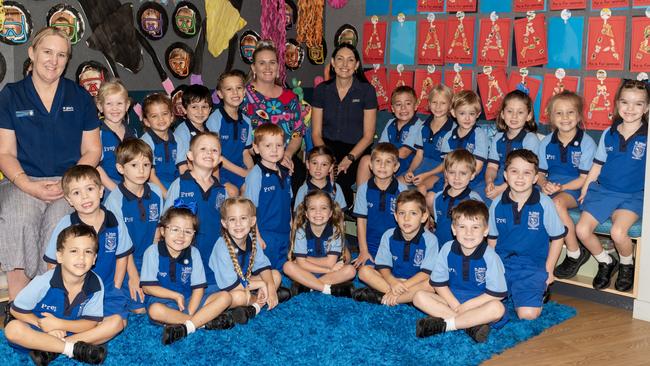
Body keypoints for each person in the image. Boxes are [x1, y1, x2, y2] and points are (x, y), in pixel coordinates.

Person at [0, 27, 101, 300]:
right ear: (31, 52)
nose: (53, 61)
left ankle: (54, 302)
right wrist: (28, 186)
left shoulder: (80, 97)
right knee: (18, 216)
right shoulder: (11, 95)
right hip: (22, 180)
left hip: (69, 182)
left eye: (61, 55)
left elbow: (93, 150)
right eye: (47, 52)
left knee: (61, 221)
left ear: (67, 60)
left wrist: (70, 184)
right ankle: (19, 304)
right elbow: (5, 153)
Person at [43, 165, 131, 344]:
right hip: (74, 292)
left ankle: (67, 344)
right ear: (69, 200)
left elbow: (122, 256)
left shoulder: (115, 221)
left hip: (106, 289)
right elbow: (53, 263)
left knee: (118, 323)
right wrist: (61, 293)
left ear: (101, 191)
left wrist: (116, 286)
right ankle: (76, 337)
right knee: (59, 323)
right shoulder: (66, 224)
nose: (84, 197)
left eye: (89, 189)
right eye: (76, 193)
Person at [576, 80, 649, 292]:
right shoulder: (609, 133)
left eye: (638, 104)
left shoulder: (647, 135)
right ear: (617, 104)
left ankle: (627, 264)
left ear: (646, 108)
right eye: (625, 102)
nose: (630, 109)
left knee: (618, 232)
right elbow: (597, 167)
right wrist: (585, 189)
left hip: (633, 195)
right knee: (582, 229)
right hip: (604, 191)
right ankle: (606, 261)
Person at [5, 225, 107, 365]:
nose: (81, 257)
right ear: (59, 256)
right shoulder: (43, 281)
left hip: (71, 331)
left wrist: (59, 324)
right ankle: (71, 349)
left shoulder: (96, 284)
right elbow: (16, 310)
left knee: (115, 322)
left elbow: (90, 322)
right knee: (12, 329)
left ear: (94, 258)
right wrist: (43, 326)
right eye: (73, 251)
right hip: (38, 330)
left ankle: (49, 350)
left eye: (88, 252)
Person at [413, 200, 507, 343]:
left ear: (486, 230)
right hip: (452, 300)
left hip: (479, 304)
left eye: (475, 227)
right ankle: (470, 326)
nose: (469, 233)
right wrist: (456, 305)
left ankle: (446, 325)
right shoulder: (447, 249)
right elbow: (439, 284)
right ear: (454, 229)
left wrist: (467, 306)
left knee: (497, 309)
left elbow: (496, 294)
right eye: (462, 227)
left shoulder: (491, 257)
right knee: (418, 297)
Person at [488, 149, 566, 320]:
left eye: (527, 172)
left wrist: (548, 270)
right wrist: (491, 269)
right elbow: (492, 241)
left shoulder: (544, 203)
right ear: (506, 175)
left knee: (528, 314)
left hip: (531, 266)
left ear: (535, 178)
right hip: (502, 264)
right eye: (514, 171)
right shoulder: (496, 204)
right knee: (477, 300)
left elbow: (558, 238)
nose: (520, 177)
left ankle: (535, 291)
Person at [140, 205, 234, 345]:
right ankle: (202, 322)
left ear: (193, 235)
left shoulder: (194, 253)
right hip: (164, 301)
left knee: (226, 297)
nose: (181, 236)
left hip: (190, 299)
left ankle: (187, 326)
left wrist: (190, 310)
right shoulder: (152, 252)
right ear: (163, 231)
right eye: (175, 229)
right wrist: (175, 296)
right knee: (155, 311)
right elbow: (148, 288)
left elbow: (198, 288)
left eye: (188, 231)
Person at [164, 132, 238, 288]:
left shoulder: (221, 190)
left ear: (219, 159)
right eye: (203, 149)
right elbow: (165, 222)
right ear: (190, 155)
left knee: (219, 290)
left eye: (214, 150)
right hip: (185, 252)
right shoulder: (180, 184)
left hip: (212, 253)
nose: (209, 153)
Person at [536, 91, 596, 280]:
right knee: (530, 204)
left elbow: (584, 179)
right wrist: (544, 183)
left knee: (556, 204)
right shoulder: (546, 142)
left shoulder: (586, 143)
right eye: (559, 113)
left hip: (576, 189)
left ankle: (574, 252)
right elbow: (539, 173)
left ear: (578, 116)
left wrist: (560, 189)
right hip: (552, 187)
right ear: (551, 117)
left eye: (570, 112)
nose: (565, 118)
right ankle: (535, 255)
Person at [310, 43, 377, 206]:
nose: (344, 65)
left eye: (350, 60)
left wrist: (349, 158)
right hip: (327, 146)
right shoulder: (321, 90)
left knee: (340, 182)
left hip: (356, 149)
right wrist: (328, 159)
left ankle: (342, 215)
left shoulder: (366, 91)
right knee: (317, 178)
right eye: (340, 59)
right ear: (332, 63)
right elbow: (316, 133)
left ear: (357, 65)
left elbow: (368, 136)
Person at [209, 197, 291, 325]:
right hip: (221, 289)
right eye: (232, 219)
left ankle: (254, 306)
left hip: (245, 281)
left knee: (275, 275)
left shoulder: (252, 239)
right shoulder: (221, 247)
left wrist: (269, 285)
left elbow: (262, 266)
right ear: (224, 223)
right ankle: (258, 302)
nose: (238, 224)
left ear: (252, 221)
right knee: (239, 296)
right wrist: (262, 285)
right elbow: (232, 286)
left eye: (243, 218)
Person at [105, 139, 164, 314]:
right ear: (121, 168)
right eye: (134, 165)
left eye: (146, 164)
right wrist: (133, 276)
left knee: (169, 293)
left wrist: (153, 263)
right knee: (139, 309)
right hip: (124, 261)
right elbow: (122, 247)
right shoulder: (114, 201)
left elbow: (156, 232)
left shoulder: (155, 192)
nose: (141, 170)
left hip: (149, 257)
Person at [353, 190, 438, 306]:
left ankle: (389, 298)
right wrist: (393, 282)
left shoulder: (430, 240)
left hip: (416, 283)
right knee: (363, 271)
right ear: (396, 216)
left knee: (432, 284)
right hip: (392, 281)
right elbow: (383, 267)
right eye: (402, 213)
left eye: (413, 213)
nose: (406, 218)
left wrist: (404, 285)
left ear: (423, 217)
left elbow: (426, 273)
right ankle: (407, 298)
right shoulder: (388, 235)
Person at [242, 40, 306, 193]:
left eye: (272, 62)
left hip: (284, 153)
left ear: (278, 67)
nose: (268, 67)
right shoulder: (243, 96)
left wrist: (287, 155)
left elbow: (297, 133)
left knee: (297, 174)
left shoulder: (290, 97)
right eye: (262, 63)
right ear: (254, 68)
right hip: (254, 156)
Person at [283, 190, 356, 295]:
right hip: (309, 271)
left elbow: (329, 263)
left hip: (326, 272)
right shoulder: (301, 232)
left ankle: (309, 286)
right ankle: (327, 288)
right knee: (288, 266)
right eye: (312, 209)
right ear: (306, 213)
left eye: (323, 208)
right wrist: (328, 270)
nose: (318, 212)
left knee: (350, 270)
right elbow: (303, 265)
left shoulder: (335, 231)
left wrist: (304, 260)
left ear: (330, 213)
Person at [243, 124, 293, 270]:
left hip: (284, 232)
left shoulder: (286, 173)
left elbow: (288, 205)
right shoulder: (255, 176)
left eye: (278, 145)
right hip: (265, 233)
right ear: (257, 148)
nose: (274, 150)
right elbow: (249, 210)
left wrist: (292, 231)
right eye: (268, 145)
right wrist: (256, 236)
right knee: (265, 268)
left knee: (283, 267)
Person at [352, 143, 408, 268]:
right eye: (378, 161)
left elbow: (406, 222)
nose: (382, 166)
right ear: (371, 165)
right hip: (371, 245)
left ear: (396, 167)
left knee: (400, 272)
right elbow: (361, 222)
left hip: (395, 245)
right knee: (365, 272)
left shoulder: (402, 190)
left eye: (388, 162)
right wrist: (363, 251)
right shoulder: (364, 189)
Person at [357, 85, 423, 184]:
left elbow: (404, 153)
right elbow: (381, 146)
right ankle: (361, 197)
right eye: (398, 104)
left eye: (408, 103)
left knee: (391, 175)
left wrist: (384, 161)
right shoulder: (390, 123)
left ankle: (383, 189)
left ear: (416, 106)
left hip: (404, 167)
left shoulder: (419, 125)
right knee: (365, 160)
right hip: (387, 161)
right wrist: (379, 161)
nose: (403, 108)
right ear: (392, 108)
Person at [485, 90, 540, 202]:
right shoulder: (498, 137)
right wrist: (490, 182)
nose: (514, 116)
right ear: (502, 114)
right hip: (499, 180)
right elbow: (492, 167)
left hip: (520, 182)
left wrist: (501, 189)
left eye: (520, 112)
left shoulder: (530, 139)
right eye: (510, 111)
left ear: (529, 116)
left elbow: (527, 173)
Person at [206, 69, 254, 189]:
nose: (235, 92)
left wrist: (252, 172)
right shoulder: (215, 120)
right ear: (220, 94)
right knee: (231, 191)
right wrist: (244, 173)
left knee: (250, 189)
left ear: (244, 92)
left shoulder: (246, 121)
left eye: (238, 88)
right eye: (229, 89)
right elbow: (215, 155)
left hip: (239, 168)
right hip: (218, 169)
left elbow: (246, 152)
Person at [439, 90, 489, 203]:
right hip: (452, 177)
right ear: (453, 112)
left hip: (474, 179)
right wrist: (448, 182)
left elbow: (478, 166)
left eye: (471, 114)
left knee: (465, 203)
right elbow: (446, 165)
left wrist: (461, 183)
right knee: (431, 198)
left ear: (478, 114)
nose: (467, 118)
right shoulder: (448, 136)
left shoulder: (479, 135)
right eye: (462, 113)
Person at [404, 84, 455, 195]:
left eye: (443, 103)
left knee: (420, 188)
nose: (438, 107)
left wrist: (426, 175)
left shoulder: (453, 130)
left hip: (440, 171)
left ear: (450, 105)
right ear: (429, 103)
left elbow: (447, 162)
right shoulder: (423, 126)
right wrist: (410, 171)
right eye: (434, 102)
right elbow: (418, 155)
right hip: (422, 167)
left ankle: (424, 212)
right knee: (397, 184)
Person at [431, 150, 483, 246]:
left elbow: (479, 230)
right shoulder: (438, 197)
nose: (457, 178)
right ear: (446, 173)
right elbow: (438, 223)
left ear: (472, 175)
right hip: (440, 250)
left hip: (463, 250)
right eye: (452, 172)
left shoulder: (474, 201)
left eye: (463, 173)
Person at [96, 80, 137, 193]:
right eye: (109, 104)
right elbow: (95, 165)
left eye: (119, 103)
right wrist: (115, 189)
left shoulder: (132, 132)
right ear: (100, 106)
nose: (115, 108)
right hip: (106, 184)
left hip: (131, 183)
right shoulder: (97, 132)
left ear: (127, 105)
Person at [141, 93, 178, 196]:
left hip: (175, 184)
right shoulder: (145, 142)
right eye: (154, 116)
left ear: (171, 116)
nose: (161, 119)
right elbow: (151, 177)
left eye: (165, 114)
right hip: (154, 186)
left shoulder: (178, 139)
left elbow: (184, 169)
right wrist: (168, 196)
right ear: (147, 122)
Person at [293, 146, 347, 212]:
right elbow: (298, 216)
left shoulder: (335, 188)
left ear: (330, 167)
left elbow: (340, 215)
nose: (318, 168)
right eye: (314, 163)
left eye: (324, 164)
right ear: (307, 164)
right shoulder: (303, 190)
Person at [174, 84, 212, 174]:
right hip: (189, 176)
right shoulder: (182, 133)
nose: (200, 111)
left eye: (204, 107)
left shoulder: (209, 131)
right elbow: (184, 166)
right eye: (194, 107)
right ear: (184, 109)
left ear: (210, 110)